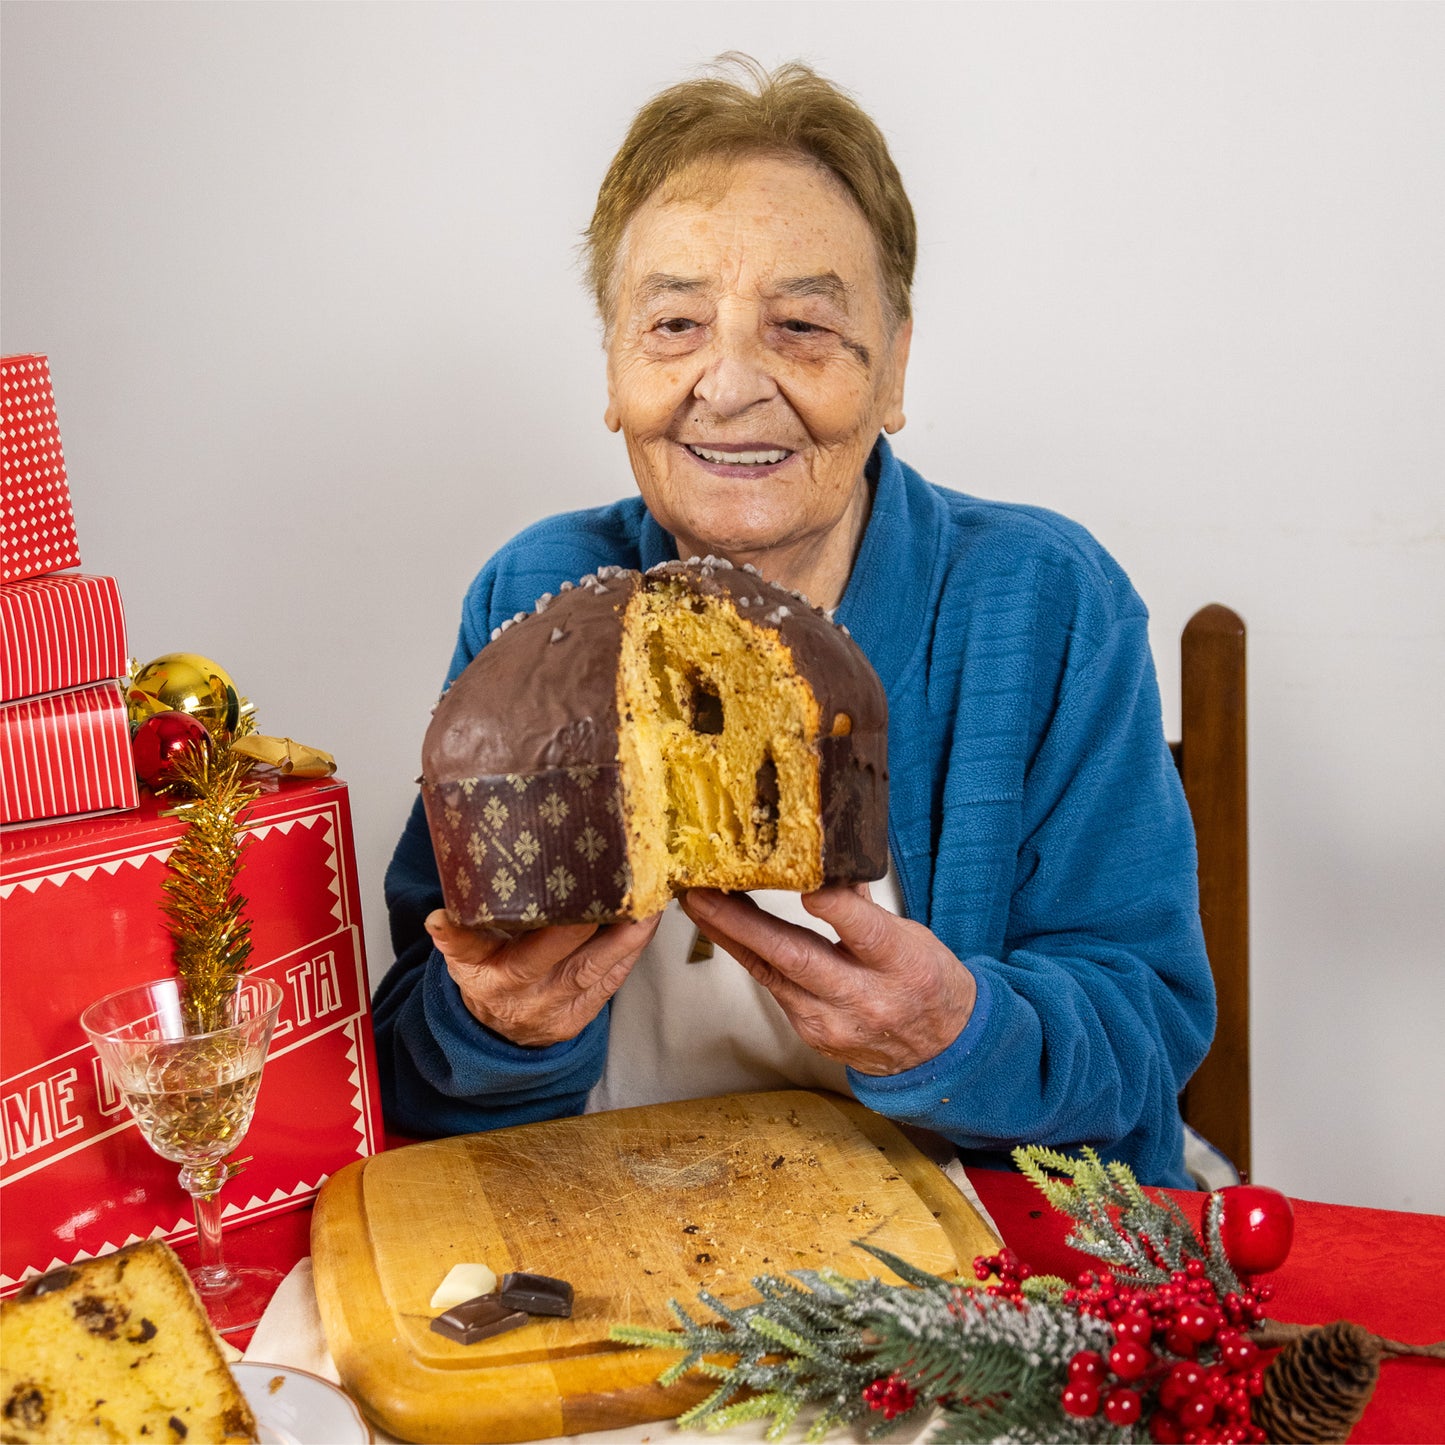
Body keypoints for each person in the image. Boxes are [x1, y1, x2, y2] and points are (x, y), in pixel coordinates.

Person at [373, 58, 1215, 1188]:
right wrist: (498, 1025)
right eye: (673, 322)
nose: (727, 385)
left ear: (894, 365)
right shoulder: (534, 595)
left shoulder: (1043, 601)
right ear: (613, 368)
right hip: (611, 1233)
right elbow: (413, 1055)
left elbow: (1147, 1024)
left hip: (968, 1273)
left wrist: (958, 1032)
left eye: (803, 325)